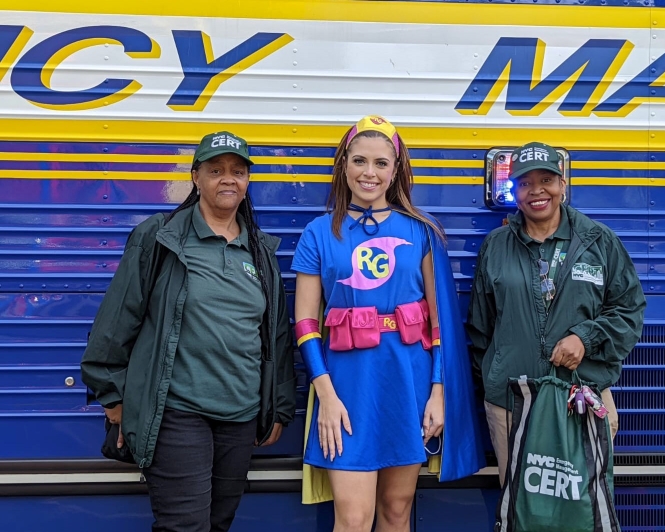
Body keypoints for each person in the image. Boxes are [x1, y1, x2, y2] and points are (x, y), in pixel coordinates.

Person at [80, 131, 296, 532]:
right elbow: (115, 320)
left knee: (217, 524)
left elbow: (275, 336)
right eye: (215, 170)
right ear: (196, 177)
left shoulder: (260, 250)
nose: (227, 179)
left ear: (248, 181)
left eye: (237, 171)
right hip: (177, 413)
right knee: (185, 527)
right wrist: (112, 396)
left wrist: (279, 405)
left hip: (240, 415)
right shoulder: (161, 237)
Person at [292, 115, 484, 532]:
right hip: (346, 389)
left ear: (396, 169)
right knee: (354, 519)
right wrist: (325, 395)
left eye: (381, 163)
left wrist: (439, 392)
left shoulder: (422, 230)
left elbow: (440, 325)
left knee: (397, 514)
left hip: (408, 383)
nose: (369, 173)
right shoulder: (318, 232)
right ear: (344, 164)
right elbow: (305, 323)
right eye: (360, 161)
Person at [467, 141, 646, 485]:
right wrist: (493, 378)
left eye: (546, 180)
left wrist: (586, 338)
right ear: (514, 190)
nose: (537, 191)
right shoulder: (497, 244)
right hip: (511, 402)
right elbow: (481, 326)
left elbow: (629, 310)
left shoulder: (598, 241)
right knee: (521, 508)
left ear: (562, 184)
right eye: (524, 182)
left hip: (580, 399)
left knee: (580, 508)